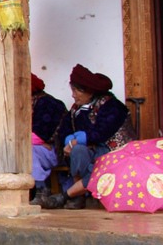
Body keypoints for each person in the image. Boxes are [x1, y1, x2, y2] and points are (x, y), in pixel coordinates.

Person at [40, 64, 133, 210]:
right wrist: (70, 142)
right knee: (78, 151)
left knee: (102, 170)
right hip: (92, 152)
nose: (73, 95)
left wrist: (78, 139)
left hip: (112, 152)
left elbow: (101, 133)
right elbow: (64, 131)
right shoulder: (76, 110)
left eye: (76, 91)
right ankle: (79, 196)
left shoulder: (112, 106)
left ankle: (68, 195)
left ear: (89, 91)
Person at [29, 73, 67, 205]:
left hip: (55, 152)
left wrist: (26, 140)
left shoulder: (48, 104)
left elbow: (39, 136)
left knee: (27, 150)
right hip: (41, 149)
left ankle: (41, 189)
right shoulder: (29, 102)